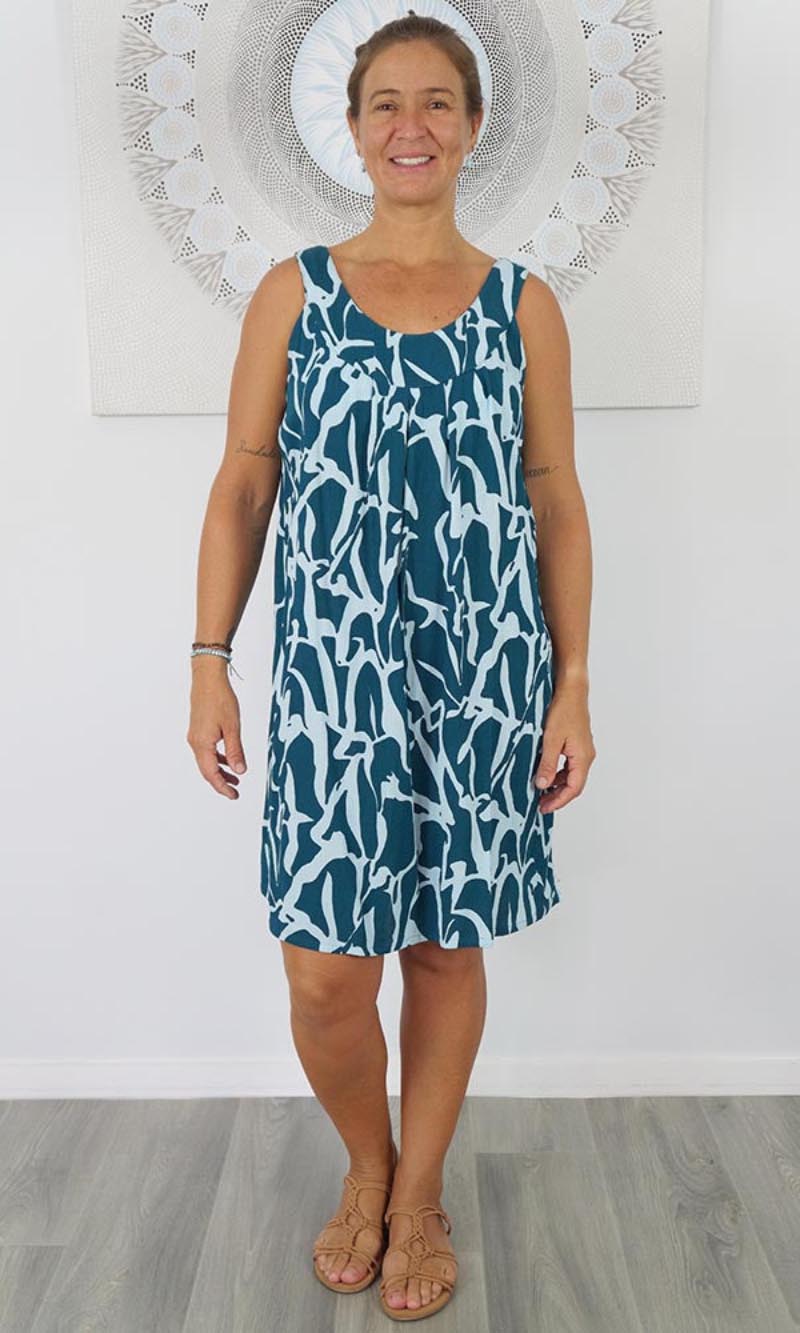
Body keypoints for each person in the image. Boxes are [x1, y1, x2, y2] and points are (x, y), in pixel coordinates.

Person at [187, 10, 595, 1322]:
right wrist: (209, 659)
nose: (411, 126)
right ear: (354, 131)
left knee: (443, 950)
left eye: (436, 103)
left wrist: (572, 683)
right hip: (332, 687)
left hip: (481, 679)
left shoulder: (523, 307)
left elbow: (555, 500)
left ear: (472, 128)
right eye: (386, 105)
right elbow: (243, 484)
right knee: (323, 972)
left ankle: (416, 1193)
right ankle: (366, 1160)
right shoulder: (293, 294)